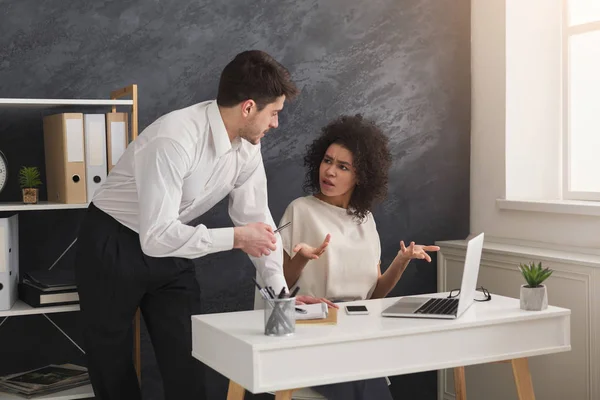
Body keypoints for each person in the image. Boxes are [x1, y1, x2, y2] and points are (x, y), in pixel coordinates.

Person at [74, 50, 332, 400]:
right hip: (112, 241)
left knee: (190, 360)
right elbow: (156, 237)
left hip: (174, 240)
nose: (275, 124)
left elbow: (258, 223)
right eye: (274, 113)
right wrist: (238, 238)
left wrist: (279, 298)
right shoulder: (174, 139)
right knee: (112, 364)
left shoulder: (247, 147)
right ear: (248, 107)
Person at [278, 114, 440, 400]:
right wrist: (301, 258)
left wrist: (400, 262)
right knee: (361, 378)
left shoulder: (365, 220)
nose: (330, 172)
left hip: (355, 332)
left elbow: (374, 293)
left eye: (343, 166)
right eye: (327, 161)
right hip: (312, 333)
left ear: (360, 176)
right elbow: (277, 288)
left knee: (363, 372)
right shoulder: (299, 210)